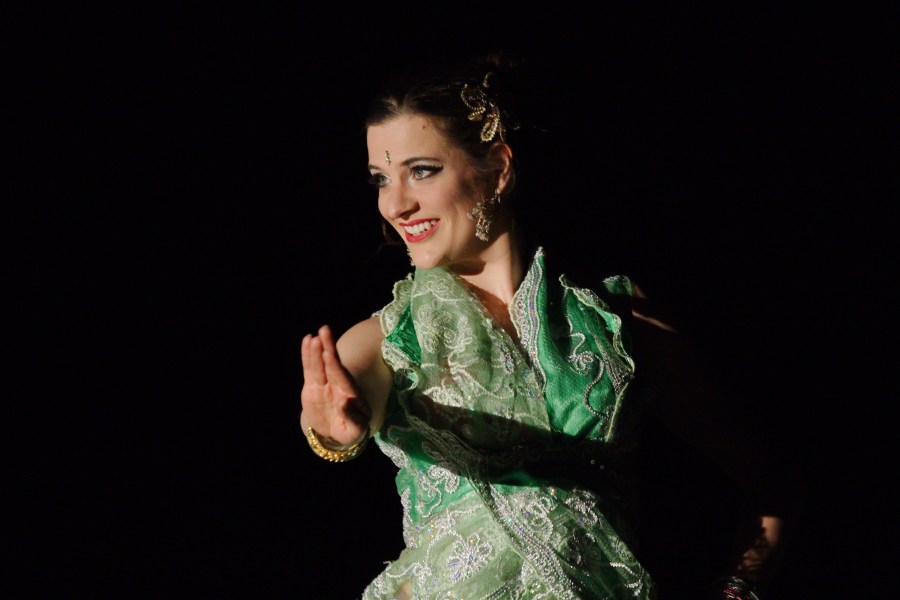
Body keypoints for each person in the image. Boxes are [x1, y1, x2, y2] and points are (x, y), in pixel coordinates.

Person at [299, 52, 803, 599]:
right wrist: (333, 433)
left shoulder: (612, 320)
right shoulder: (387, 340)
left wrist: (738, 591)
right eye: (380, 179)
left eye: (421, 170)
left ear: (498, 168)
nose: (395, 204)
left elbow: (768, 478)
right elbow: (341, 407)